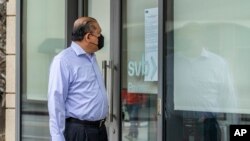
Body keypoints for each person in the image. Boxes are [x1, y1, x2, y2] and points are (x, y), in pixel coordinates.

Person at [48, 16, 109, 141]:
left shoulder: (91, 57)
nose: (101, 38)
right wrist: (57, 137)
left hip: (100, 130)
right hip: (80, 132)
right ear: (88, 37)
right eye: (99, 34)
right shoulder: (63, 60)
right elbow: (56, 101)